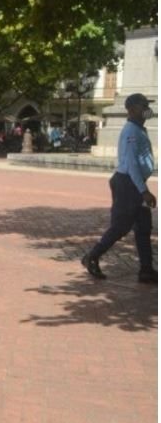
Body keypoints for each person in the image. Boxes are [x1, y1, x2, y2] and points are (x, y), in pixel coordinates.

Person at [82, 93, 157, 284]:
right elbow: (131, 164)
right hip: (127, 184)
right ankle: (92, 256)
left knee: (143, 227)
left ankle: (146, 270)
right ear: (131, 109)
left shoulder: (139, 129)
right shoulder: (131, 131)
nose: (147, 109)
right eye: (143, 105)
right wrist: (144, 191)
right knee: (121, 226)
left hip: (134, 182)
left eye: (147, 105)